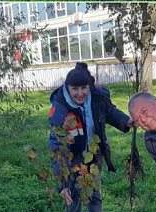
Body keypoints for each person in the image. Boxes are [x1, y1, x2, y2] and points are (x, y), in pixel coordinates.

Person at [48, 62, 134, 211]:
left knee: (94, 194)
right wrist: (63, 184)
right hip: (71, 157)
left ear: (89, 86)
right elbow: (56, 149)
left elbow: (110, 112)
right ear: (67, 88)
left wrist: (126, 121)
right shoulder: (60, 111)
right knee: (72, 196)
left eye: (84, 88)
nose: (80, 93)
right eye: (75, 89)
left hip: (94, 154)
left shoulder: (97, 98)